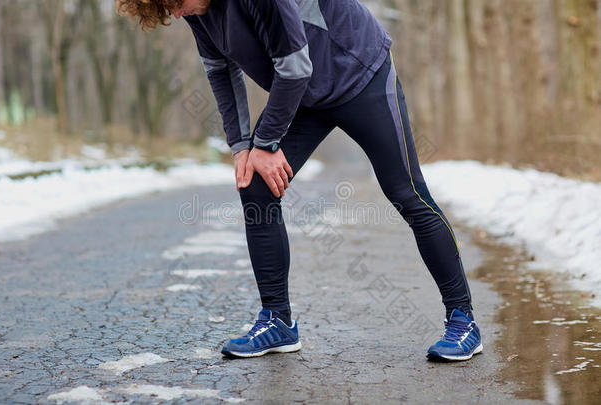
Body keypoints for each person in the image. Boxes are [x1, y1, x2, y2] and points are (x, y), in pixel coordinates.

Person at [117, 0, 483, 362]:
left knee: (406, 193)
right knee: (255, 185)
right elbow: (221, 73)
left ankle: (462, 320)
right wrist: (242, 146)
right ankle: (278, 321)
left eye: (177, 3)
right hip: (303, 95)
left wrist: (266, 142)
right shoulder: (198, 11)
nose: (177, 14)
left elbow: (295, 67)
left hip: (359, 75)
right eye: (169, 10)